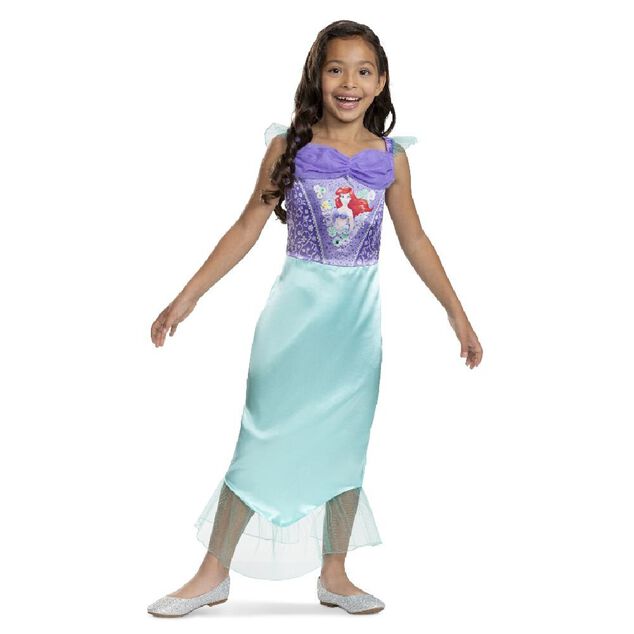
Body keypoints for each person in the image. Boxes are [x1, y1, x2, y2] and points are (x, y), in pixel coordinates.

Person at [147, 19, 483, 618]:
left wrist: (457, 315)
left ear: (381, 81)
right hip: (292, 325)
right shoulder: (289, 148)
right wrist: (188, 296)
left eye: (363, 71)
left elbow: (415, 240)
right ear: (317, 77)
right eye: (336, 69)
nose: (349, 83)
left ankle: (336, 574)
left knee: (345, 445)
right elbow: (247, 225)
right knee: (260, 439)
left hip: (354, 331)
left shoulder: (391, 158)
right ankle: (212, 572)